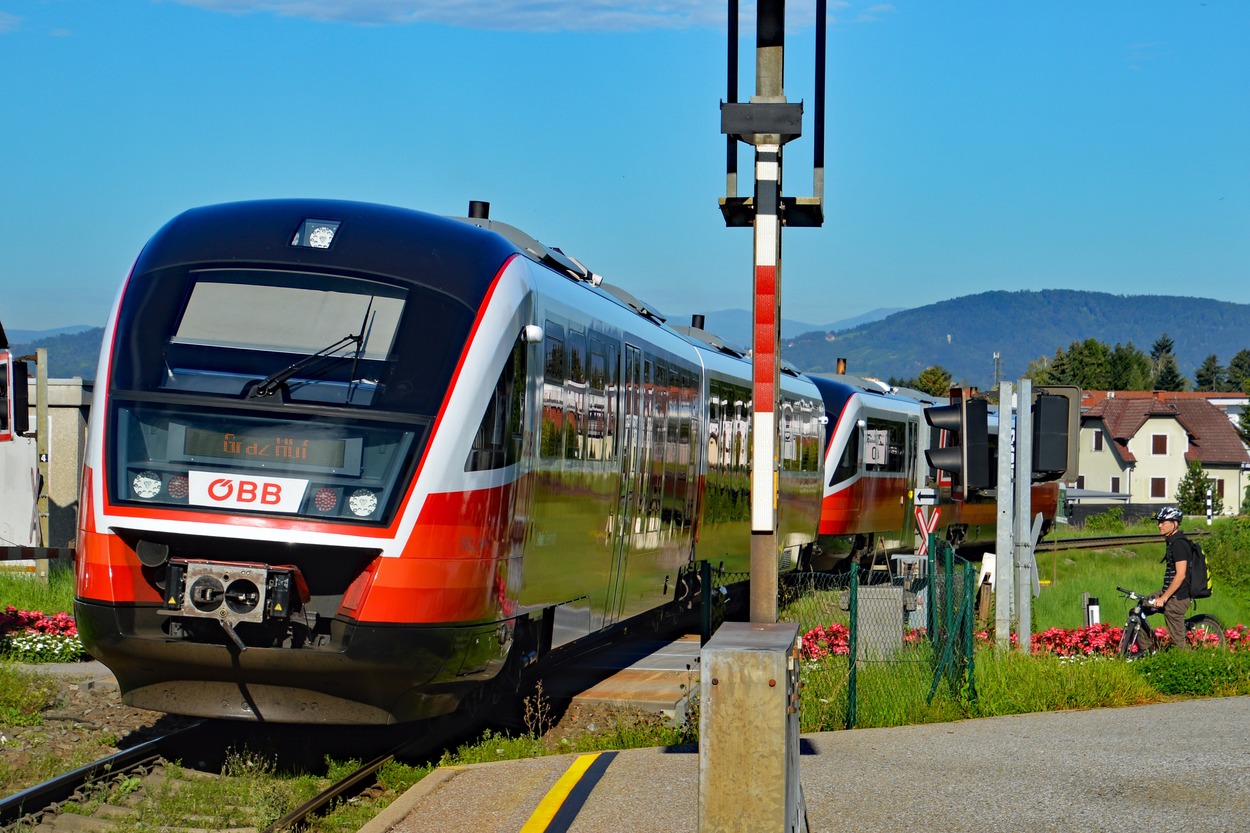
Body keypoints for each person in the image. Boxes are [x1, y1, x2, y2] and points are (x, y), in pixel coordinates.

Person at [1149, 506, 1191, 651]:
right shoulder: (1171, 541)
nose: (1159, 525)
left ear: (1175, 523)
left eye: (1163, 522)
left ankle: (1185, 660)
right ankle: (1150, 651)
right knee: (1138, 610)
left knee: (1178, 641)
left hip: (1179, 597)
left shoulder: (1179, 544)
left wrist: (1164, 598)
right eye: (1158, 522)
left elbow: (1181, 575)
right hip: (1167, 592)